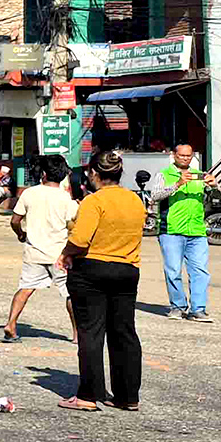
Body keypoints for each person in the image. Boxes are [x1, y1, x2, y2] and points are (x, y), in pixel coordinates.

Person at [58, 150, 145, 412]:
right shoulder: (135, 200)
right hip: (127, 270)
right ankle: (127, 396)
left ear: (94, 173)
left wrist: (65, 253)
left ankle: (88, 395)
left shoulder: (93, 201)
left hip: (92, 271)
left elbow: (81, 239)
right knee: (124, 333)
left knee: (91, 333)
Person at [4, 156, 77, 345]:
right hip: (59, 254)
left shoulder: (29, 193)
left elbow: (15, 220)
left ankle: (11, 324)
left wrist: (21, 234)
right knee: (69, 293)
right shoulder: (64, 197)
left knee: (25, 289)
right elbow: (76, 218)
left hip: (34, 252)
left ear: (43, 174)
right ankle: (77, 334)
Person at [155, 142, 216, 322]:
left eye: (188, 156)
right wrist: (177, 184)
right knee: (173, 270)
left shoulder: (199, 176)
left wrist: (214, 186)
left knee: (200, 271)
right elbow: (155, 196)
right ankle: (178, 306)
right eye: (181, 155)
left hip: (197, 230)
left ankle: (198, 309)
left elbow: (216, 198)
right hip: (172, 230)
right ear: (174, 155)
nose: (185, 158)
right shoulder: (164, 174)